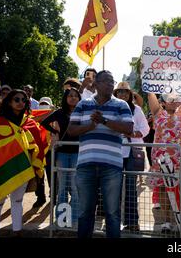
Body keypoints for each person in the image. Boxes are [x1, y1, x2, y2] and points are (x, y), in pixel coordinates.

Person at [68, 70, 134, 238]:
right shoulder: (83, 104)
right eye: (106, 81)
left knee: (112, 213)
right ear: (96, 85)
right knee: (85, 213)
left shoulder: (121, 105)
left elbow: (129, 129)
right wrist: (90, 126)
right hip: (85, 166)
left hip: (112, 167)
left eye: (112, 81)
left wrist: (104, 120)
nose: (110, 84)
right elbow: (71, 130)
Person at [0, 89, 41, 238]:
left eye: (24, 100)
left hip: (22, 167)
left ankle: (17, 232)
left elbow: (35, 142)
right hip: (2, 168)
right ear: (9, 102)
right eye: (17, 99)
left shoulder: (28, 122)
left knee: (18, 201)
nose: (21, 103)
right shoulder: (0, 122)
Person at [147, 92, 181, 233]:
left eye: (176, 98)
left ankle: (180, 219)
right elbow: (150, 92)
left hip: (180, 158)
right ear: (164, 102)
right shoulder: (157, 112)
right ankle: (166, 220)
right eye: (170, 99)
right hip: (160, 157)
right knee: (163, 188)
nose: (173, 101)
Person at [41, 88, 81, 225]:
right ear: (65, 98)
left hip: (78, 152)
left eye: (76, 96)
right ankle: (62, 219)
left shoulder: (82, 112)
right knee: (62, 187)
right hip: (62, 152)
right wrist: (55, 132)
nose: (73, 98)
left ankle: (74, 218)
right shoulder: (59, 112)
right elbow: (43, 123)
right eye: (70, 96)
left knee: (75, 187)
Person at [113, 82, 149, 232]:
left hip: (132, 153)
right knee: (114, 189)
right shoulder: (111, 109)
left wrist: (131, 134)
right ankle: (114, 221)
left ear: (129, 94)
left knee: (130, 188)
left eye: (125, 92)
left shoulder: (137, 110)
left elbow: (145, 129)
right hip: (115, 153)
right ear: (115, 94)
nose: (122, 94)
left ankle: (132, 221)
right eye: (120, 92)